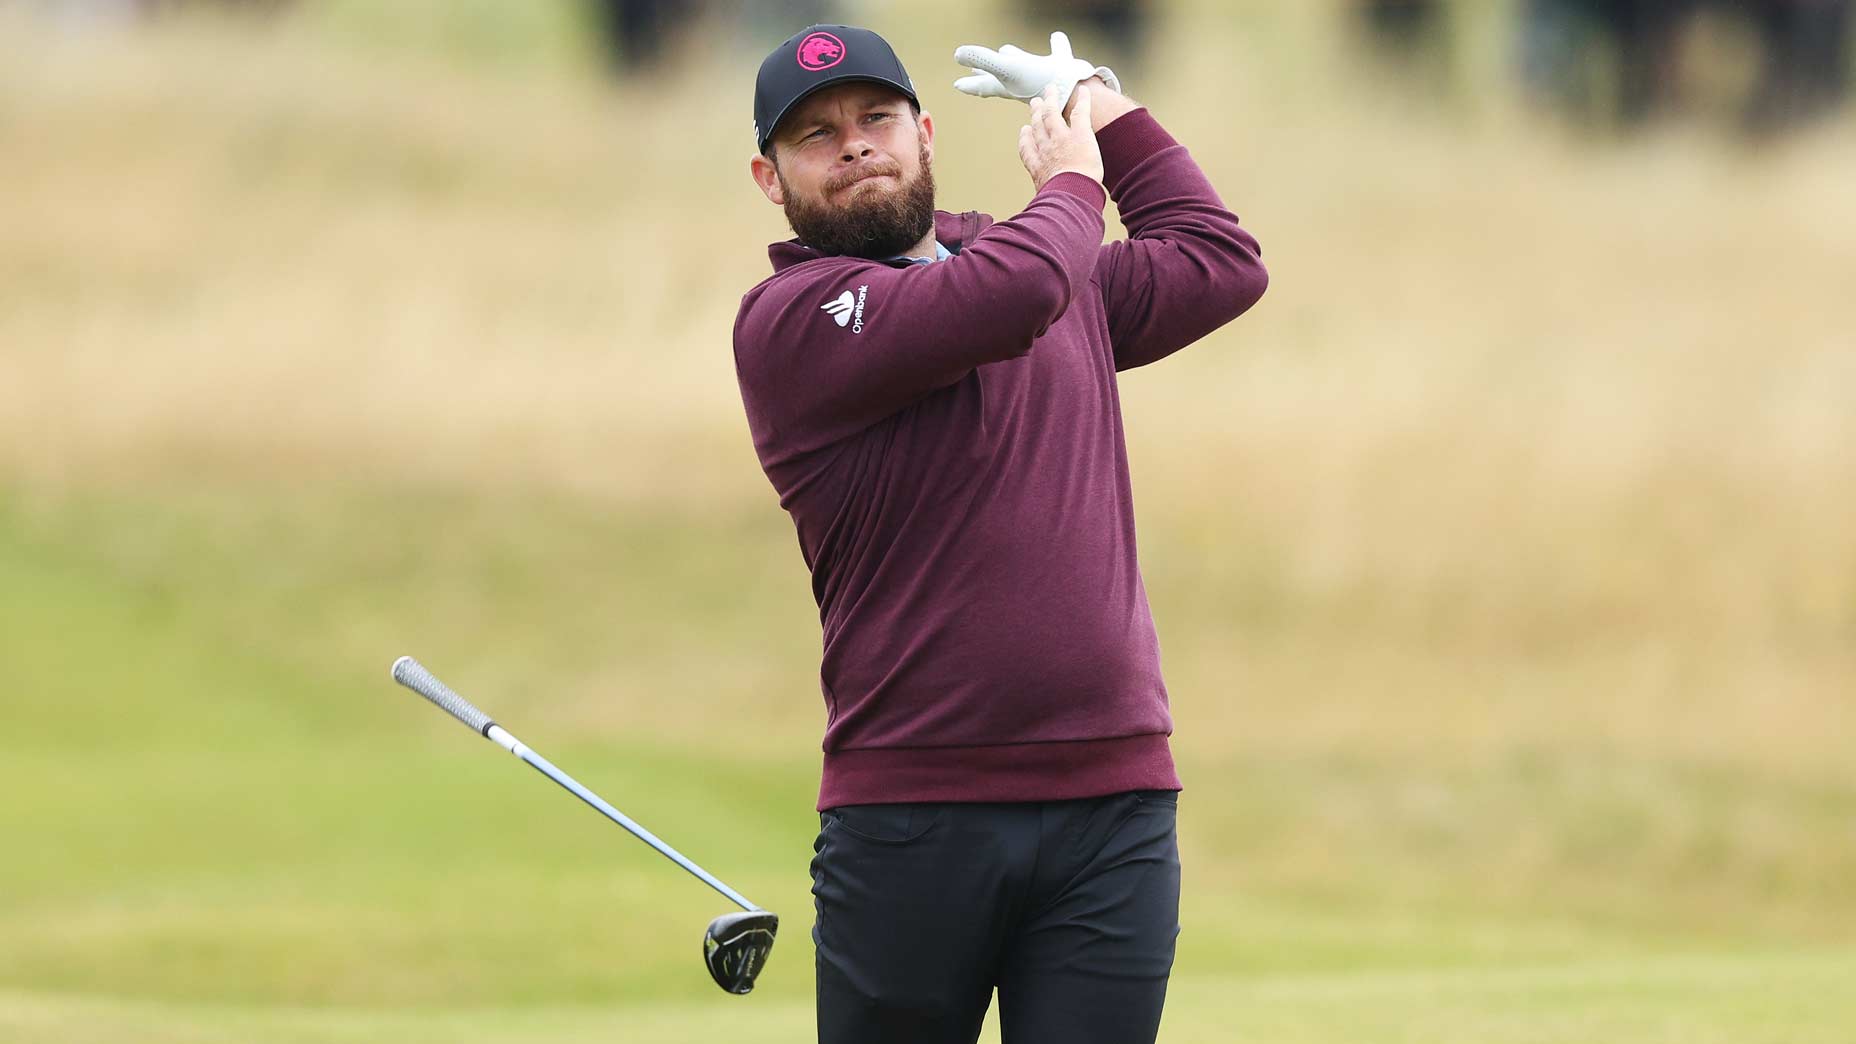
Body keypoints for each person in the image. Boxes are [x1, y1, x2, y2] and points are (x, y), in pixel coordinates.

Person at [731, 23, 1267, 1044]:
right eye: (815, 135)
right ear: (770, 177)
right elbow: (1006, 294)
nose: (853, 145)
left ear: (924, 132)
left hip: (1112, 805)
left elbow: (1217, 260)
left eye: (875, 118)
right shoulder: (792, 317)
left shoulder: (1028, 263)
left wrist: (1096, 100)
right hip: (912, 810)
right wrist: (1074, 180)